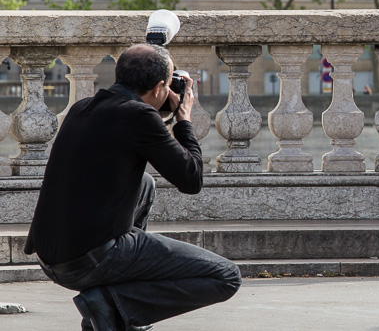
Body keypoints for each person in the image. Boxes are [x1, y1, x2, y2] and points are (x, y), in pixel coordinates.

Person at [24, 43, 241, 330]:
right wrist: (183, 120)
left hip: (51, 258)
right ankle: (112, 303)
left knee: (145, 183)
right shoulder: (139, 117)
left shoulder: (82, 108)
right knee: (226, 276)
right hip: (90, 262)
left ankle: (108, 306)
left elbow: (127, 139)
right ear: (160, 87)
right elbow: (191, 179)